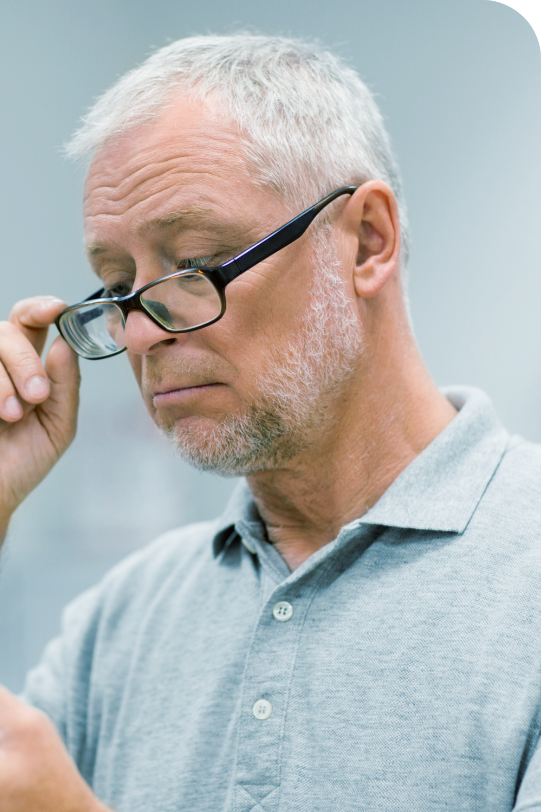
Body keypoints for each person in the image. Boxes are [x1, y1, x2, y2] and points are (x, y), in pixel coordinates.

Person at [0, 32, 540, 812]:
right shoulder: (124, 618)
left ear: (365, 242)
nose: (142, 331)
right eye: (116, 284)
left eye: (194, 265)